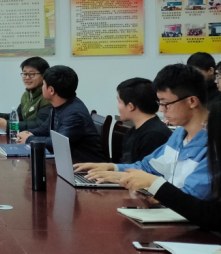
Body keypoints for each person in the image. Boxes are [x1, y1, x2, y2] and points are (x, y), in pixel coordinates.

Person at [77, 63, 212, 198]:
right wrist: (113, 168)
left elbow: (192, 197)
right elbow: (148, 167)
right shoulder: (179, 135)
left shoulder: (213, 143)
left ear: (192, 101)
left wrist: (152, 184)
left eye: (166, 103)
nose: (161, 109)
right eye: (160, 103)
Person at [116, 100, 221, 230]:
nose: (204, 131)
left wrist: (157, 186)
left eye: (207, 126)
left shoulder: (155, 134)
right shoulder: (179, 134)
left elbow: (209, 214)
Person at [16, 65, 105, 163]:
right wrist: (28, 133)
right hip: (68, 163)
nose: (42, 88)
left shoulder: (74, 114)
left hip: (88, 167)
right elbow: (45, 129)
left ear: (51, 90)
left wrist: (29, 139)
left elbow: (59, 144)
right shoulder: (59, 104)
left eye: (43, 84)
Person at [114, 78, 172, 163]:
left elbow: (144, 170)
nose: (118, 107)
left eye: (119, 102)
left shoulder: (154, 136)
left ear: (130, 106)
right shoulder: (132, 132)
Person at [0, 56, 52, 132]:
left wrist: (9, 126)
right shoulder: (26, 94)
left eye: (32, 74)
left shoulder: (47, 97)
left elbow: (41, 125)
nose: (27, 77)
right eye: (24, 74)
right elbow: (19, 117)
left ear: (44, 75)